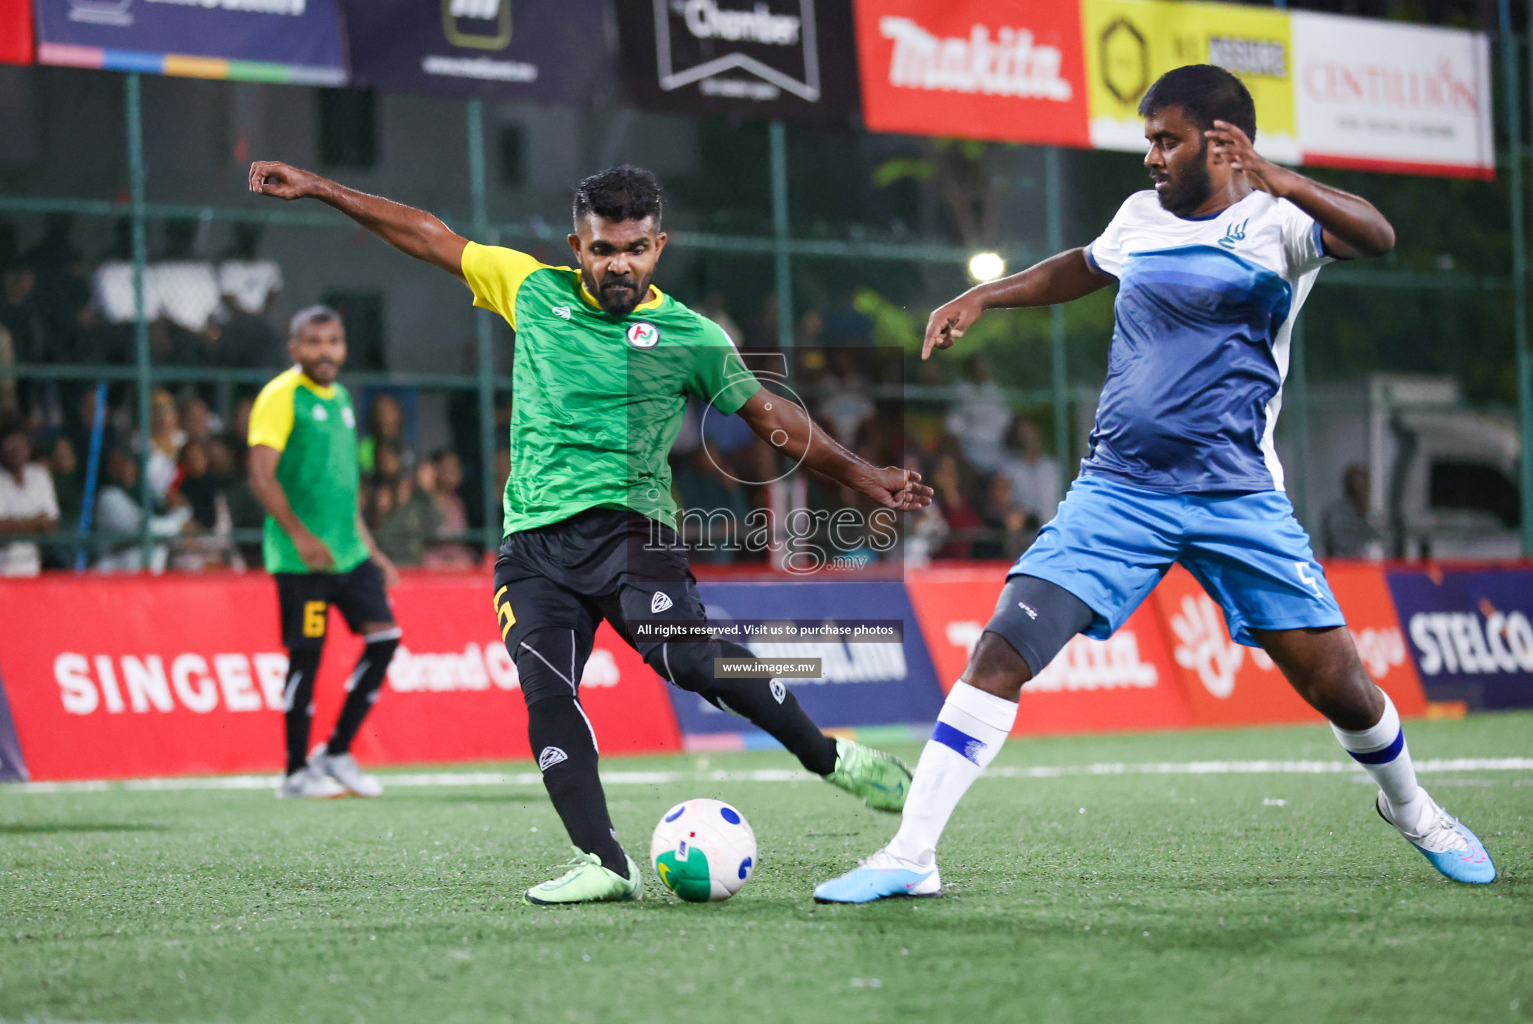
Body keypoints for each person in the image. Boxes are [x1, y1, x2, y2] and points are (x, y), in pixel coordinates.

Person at [816, 64, 1495, 904]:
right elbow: (1081, 267)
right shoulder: (1141, 218)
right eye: (1149, 139)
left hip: (1236, 497)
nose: (1151, 156)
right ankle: (911, 853)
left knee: (1342, 687)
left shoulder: (1280, 224)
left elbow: (1379, 235)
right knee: (999, 649)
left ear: (1222, 144)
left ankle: (1415, 809)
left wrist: (1278, 175)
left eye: (1165, 140)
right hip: (1119, 492)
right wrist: (984, 295)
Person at [249, 158, 933, 904]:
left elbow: (769, 417)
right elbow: (426, 235)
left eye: (635, 249)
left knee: (694, 665)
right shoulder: (531, 289)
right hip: (533, 549)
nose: (620, 265)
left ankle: (827, 756)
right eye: (604, 249)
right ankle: (603, 861)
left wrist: (865, 475)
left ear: (659, 246)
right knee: (547, 691)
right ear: (577, 247)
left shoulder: (689, 334)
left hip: (633, 535)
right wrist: (322, 188)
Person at [246, 306, 403, 801]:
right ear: (294, 349)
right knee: (306, 662)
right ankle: (294, 773)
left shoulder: (340, 399)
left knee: (385, 639)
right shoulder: (280, 396)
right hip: (301, 561)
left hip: (349, 554)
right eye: (313, 342)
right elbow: (261, 476)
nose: (325, 351)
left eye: (333, 341)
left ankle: (335, 751)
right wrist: (299, 535)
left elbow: (341, 485)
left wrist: (370, 548)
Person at [0, 419, 59, 576]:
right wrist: (34, 523)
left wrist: (14, 525)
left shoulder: (39, 474)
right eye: (11, 444)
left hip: (34, 567)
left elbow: (51, 524)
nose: (16, 449)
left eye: (21, 443)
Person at [1321, 464, 1383, 560]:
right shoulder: (1337, 514)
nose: (1362, 489)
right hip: (1343, 567)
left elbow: (1380, 539)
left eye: (1364, 484)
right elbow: (1340, 544)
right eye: (1357, 485)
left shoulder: (1370, 514)